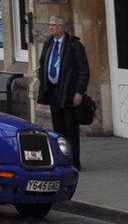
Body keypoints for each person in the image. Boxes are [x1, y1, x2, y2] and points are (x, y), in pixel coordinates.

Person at [37, 15, 91, 171]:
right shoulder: (49, 43)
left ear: (61, 27)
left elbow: (83, 71)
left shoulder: (74, 45)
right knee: (58, 128)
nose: (50, 28)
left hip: (69, 91)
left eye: (53, 25)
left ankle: (74, 161)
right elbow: (43, 64)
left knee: (70, 128)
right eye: (50, 25)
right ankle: (61, 158)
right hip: (53, 91)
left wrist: (79, 92)